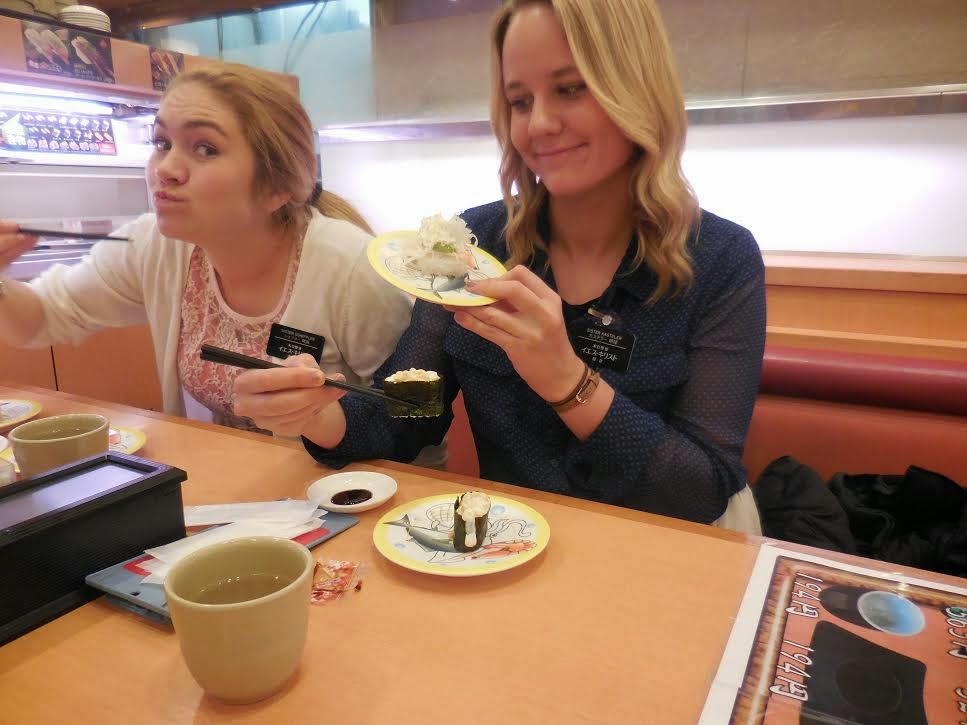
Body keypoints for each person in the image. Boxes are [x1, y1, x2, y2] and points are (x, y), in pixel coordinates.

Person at [233, 0, 766, 533]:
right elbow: (409, 412)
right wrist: (315, 413)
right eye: (519, 101)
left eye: (571, 89)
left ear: (636, 90)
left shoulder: (721, 259)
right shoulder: (477, 245)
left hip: (655, 553)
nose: (539, 125)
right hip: (507, 549)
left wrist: (567, 380)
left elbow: (701, 490)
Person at [0, 61, 418, 441]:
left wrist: (320, 419)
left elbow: (412, 423)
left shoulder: (350, 267)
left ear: (276, 187)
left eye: (205, 148)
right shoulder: (154, 246)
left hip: (346, 485)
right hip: (233, 479)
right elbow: (43, 317)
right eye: (162, 142)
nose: (165, 169)